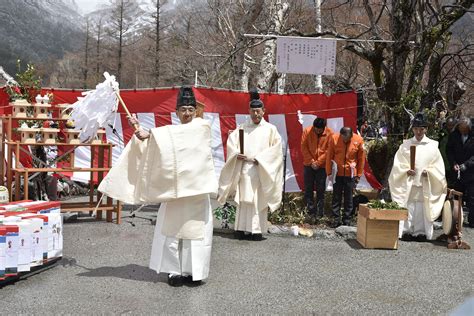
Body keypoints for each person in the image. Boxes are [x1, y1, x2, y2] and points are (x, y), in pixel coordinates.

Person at [99, 86, 217, 286]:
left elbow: (179, 136)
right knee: (172, 232)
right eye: (183, 109)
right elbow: (158, 150)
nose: (187, 113)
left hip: (196, 190)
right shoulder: (171, 134)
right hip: (174, 191)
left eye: (190, 109)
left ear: (195, 110)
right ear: (177, 112)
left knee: (195, 234)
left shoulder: (201, 127)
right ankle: (173, 271)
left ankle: (193, 272)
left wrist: (151, 134)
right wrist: (140, 133)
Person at [218, 91, 283, 241]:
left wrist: (261, 159)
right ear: (249, 111)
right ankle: (240, 229)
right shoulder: (242, 128)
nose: (255, 114)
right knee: (243, 200)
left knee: (257, 199)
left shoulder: (270, 129)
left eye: (258, 111)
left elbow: (276, 149)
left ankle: (256, 230)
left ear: (263, 111)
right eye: (252, 111)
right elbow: (233, 144)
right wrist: (236, 154)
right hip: (244, 168)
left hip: (261, 169)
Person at [389, 113, 447, 241]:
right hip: (409, 182)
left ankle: (421, 232)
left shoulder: (433, 145)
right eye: (416, 129)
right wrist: (405, 170)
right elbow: (398, 164)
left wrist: (430, 172)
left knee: (422, 208)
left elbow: (438, 166)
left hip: (425, 182)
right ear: (412, 129)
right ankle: (406, 230)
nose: (419, 132)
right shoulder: (405, 145)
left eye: (421, 129)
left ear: (426, 129)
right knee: (409, 205)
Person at [325, 127, 365, 227]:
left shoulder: (359, 140)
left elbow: (361, 159)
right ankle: (335, 218)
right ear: (340, 135)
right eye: (344, 138)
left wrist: (359, 174)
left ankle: (347, 219)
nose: (346, 140)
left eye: (348, 139)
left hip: (350, 174)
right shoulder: (334, 138)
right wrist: (329, 172)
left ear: (351, 135)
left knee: (349, 197)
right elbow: (329, 156)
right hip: (337, 173)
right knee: (336, 196)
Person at [301, 117, 333, 218]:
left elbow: (329, 150)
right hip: (308, 164)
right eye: (315, 128)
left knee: (320, 189)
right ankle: (310, 211)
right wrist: (312, 162)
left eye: (320, 129)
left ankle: (320, 213)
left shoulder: (330, 133)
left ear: (324, 128)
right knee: (308, 188)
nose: (317, 130)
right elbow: (303, 147)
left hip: (322, 166)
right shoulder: (307, 131)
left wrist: (318, 163)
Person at [447, 117, 474, 228]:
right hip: (457, 172)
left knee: (472, 199)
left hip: (471, 172)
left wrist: (466, 165)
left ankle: (472, 221)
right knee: (457, 197)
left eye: (464, 130)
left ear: (469, 128)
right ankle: (456, 220)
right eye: (461, 129)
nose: (462, 132)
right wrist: (453, 163)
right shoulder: (454, 135)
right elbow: (449, 150)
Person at [439, 117, 456, 187]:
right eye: (449, 125)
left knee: (453, 184)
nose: (450, 127)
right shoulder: (442, 134)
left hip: (453, 164)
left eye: (452, 125)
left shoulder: (457, 134)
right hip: (442, 163)